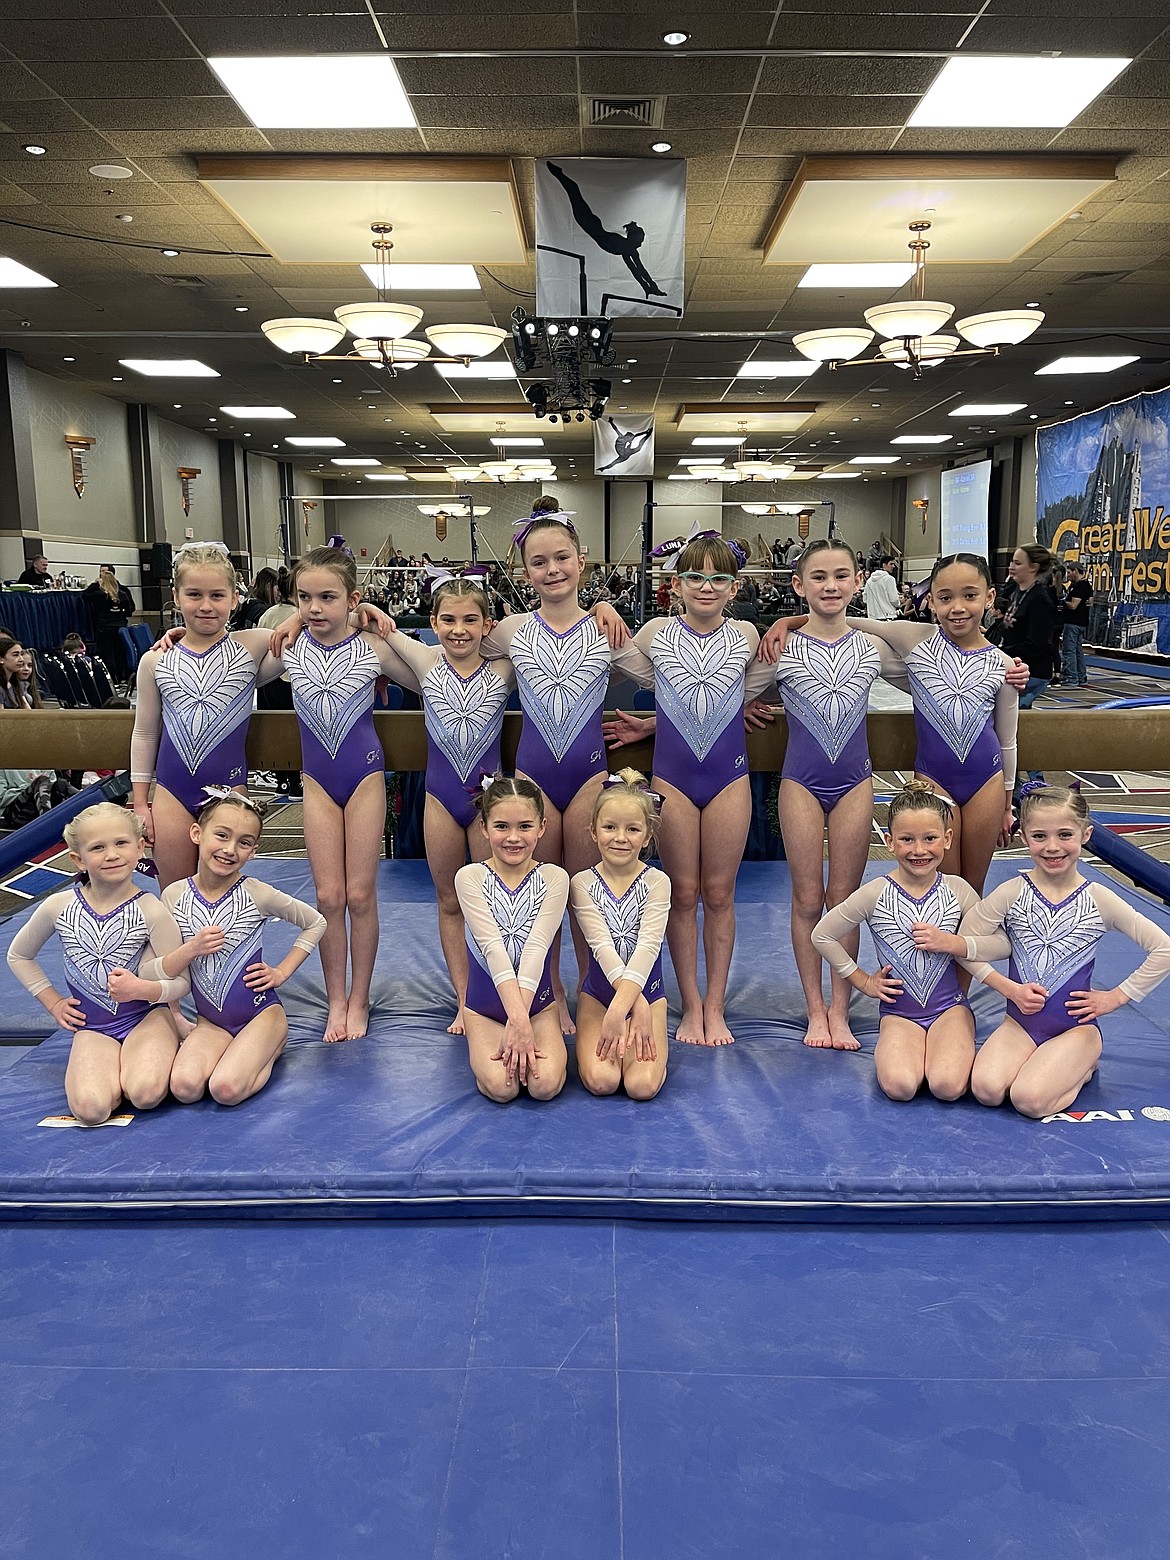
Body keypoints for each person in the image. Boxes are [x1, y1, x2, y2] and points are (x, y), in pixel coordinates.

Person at [760, 552, 1028, 896]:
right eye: (945, 598)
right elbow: (842, 621)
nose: (958, 607)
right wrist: (787, 623)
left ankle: (967, 951)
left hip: (987, 784)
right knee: (941, 886)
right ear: (930, 601)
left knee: (972, 891)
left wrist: (1008, 804)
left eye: (970, 596)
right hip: (934, 780)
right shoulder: (914, 637)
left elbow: (1008, 740)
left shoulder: (1005, 665)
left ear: (989, 597)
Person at [604, 534, 776, 1046]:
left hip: (727, 779)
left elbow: (734, 691)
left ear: (734, 587)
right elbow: (621, 661)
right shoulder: (657, 632)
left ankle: (716, 1004)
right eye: (695, 576)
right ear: (675, 585)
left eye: (718, 578)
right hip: (674, 780)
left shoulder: (746, 634)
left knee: (720, 894)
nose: (707, 586)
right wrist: (601, 605)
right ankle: (691, 1004)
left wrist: (787, 623)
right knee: (681, 894)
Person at [480, 497, 628, 1032]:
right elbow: (454, 636)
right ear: (526, 571)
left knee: (590, 895)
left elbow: (677, 681)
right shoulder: (511, 631)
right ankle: (550, 992)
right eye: (539, 562)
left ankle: (594, 990)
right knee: (540, 897)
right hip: (533, 781)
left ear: (581, 561)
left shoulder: (607, 631)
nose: (552, 570)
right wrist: (367, 616)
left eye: (561, 558)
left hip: (588, 776)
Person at [953, 785, 1170, 1119]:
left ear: (1086, 834)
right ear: (1023, 837)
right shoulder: (1012, 893)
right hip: (1019, 1024)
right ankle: (1051, 1065)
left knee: (1028, 1100)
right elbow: (963, 944)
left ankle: (1083, 1067)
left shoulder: (1098, 898)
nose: (1052, 847)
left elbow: (1164, 947)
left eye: (1065, 834)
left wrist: (1116, 997)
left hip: (1075, 1028)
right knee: (986, 1090)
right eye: (1040, 836)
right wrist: (1006, 987)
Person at [365, 575, 515, 1035]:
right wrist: (364, 611)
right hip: (440, 799)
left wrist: (602, 610)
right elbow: (375, 633)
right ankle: (466, 999)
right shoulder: (426, 661)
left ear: (488, 624)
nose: (459, 629)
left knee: (498, 907)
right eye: (447, 619)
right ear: (432, 622)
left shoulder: (505, 669)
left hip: (488, 804)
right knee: (450, 901)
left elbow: (546, 637)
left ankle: (501, 995)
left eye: (471, 619)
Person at [768, 539, 903, 1050]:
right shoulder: (779, 648)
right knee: (807, 899)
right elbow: (716, 691)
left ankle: (841, 1009)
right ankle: (815, 1009)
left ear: (858, 581)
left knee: (843, 902)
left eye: (841, 575)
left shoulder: (872, 648)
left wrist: (1004, 671)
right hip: (800, 781)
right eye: (818, 577)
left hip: (854, 782)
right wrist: (649, 725)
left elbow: (939, 676)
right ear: (799, 585)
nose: (830, 586)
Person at [6, 802, 186, 1125]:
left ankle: (159, 1043)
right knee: (91, 1110)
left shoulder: (151, 909)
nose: (112, 854)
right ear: (78, 859)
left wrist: (141, 988)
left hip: (146, 1018)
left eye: (121, 843)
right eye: (98, 848)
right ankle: (114, 1066)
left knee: (145, 1093)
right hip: (93, 1025)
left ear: (140, 847)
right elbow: (19, 955)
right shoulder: (59, 906)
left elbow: (181, 981)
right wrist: (54, 1002)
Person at [812, 783, 981, 1102]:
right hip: (899, 1013)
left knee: (947, 1086)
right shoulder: (876, 892)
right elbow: (822, 934)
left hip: (950, 1008)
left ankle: (952, 1039)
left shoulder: (959, 891)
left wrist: (954, 943)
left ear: (947, 839)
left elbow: (994, 942)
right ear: (889, 842)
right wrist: (861, 980)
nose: (919, 850)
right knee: (900, 1087)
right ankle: (918, 1048)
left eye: (930, 838)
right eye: (907, 839)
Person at [158, 790, 325, 1105]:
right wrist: (176, 1015)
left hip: (260, 1015)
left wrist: (281, 971)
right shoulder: (174, 895)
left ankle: (271, 1046)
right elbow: (165, 962)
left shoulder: (256, 893)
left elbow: (315, 922)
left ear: (254, 852)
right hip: (211, 1022)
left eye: (244, 842)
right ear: (197, 833)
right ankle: (234, 1050)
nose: (229, 849)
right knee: (184, 1087)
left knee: (225, 1090)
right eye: (221, 835)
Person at [130, 544, 274, 886]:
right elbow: (145, 733)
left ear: (234, 598)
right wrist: (140, 803)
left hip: (230, 792)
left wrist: (362, 613)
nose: (206, 606)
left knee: (221, 894)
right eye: (194, 594)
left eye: (217, 595)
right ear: (176, 596)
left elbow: (308, 630)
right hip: (170, 793)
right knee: (175, 895)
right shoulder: (155, 660)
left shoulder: (251, 648)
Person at [454, 775, 570, 1103]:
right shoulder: (470, 878)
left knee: (544, 1086)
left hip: (539, 1005)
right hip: (485, 1007)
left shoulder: (554, 878)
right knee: (502, 1088)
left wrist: (523, 1021)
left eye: (525, 826)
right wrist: (515, 1022)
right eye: (502, 826)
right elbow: (492, 948)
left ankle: (527, 1041)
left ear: (542, 827)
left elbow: (536, 948)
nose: (513, 838)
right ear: (484, 828)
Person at [570, 769, 670, 1101]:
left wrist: (637, 1005)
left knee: (641, 1087)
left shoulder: (657, 882)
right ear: (594, 831)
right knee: (603, 1081)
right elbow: (601, 948)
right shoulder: (582, 884)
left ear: (647, 836)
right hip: (599, 997)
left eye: (632, 829)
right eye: (610, 827)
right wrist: (622, 1007)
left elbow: (648, 948)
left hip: (650, 998)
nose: (620, 838)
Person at [545, 161, 668, 298]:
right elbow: (638, 270)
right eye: (640, 241)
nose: (640, 244)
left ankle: (558, 173)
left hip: (591, 223)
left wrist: (649, 287)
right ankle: (558, 173)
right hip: (589, 222)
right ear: (632, 239)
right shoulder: (627, 249)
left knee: (574, 189)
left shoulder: (627, 248)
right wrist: (650, 287)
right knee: (573, 189)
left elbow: (638, 270)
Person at [1000, 544, 1059, 708]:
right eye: (1012, 562)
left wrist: (1000, 652)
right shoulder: (1017, 591)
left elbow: (1038, 644)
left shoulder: (1039, 599)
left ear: (1034, 567)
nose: (1011, 567)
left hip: (1033, 671)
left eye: (1018, 563)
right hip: (1016, 665)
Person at [82, 565, 135, 681]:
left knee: (107, 654)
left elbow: (84, 595)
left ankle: (113, 679)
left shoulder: (99, 595)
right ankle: (123, 677)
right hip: (120, 627)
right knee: (120, 652)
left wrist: (95, 584)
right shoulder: (123, 593)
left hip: (104, 627)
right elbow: (130, 610)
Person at [1060, 562, 1093, 688]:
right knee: (1078, 651)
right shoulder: (1085, 585)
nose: (1067, 575)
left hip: (1073, 622)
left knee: (1069, 651)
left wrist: (1063, 601)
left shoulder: (1080, 586)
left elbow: (1073, 605)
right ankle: (1081, 676)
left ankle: (1071, 677)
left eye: (1069, 572)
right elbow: (1090, 601)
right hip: (1080, 622)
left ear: (1075, 571)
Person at [0, 635, 43, 708]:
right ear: (1, 659)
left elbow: (27, 712)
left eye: (21, 654)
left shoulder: (17, 685)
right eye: (15, 655)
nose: (21, 659)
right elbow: (3, 718)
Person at [863, 555, 901, 620]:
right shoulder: (889, 579)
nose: (893, 566)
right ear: (884, 565)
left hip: (872, 618)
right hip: (888, 617)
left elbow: (865, 599)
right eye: (891, 564)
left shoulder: (869, 581)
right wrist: (898, 604)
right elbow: (894, 600)